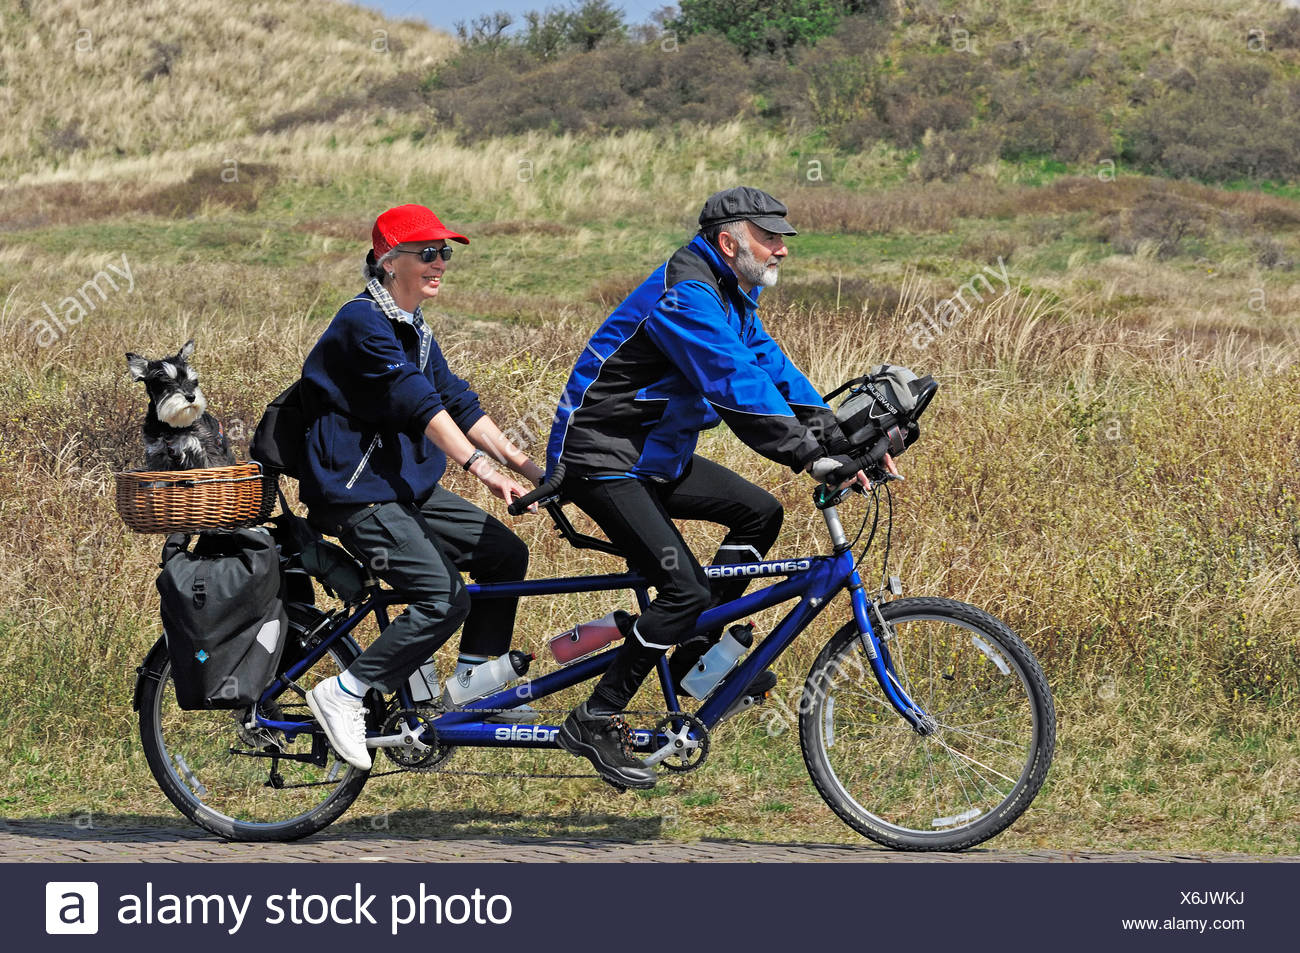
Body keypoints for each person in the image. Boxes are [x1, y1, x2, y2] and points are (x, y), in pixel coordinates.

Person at [543, 186, 897, 789]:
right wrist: (808, 457)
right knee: (682, 586)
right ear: (729, 242)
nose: (782, 249)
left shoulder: (734, 291)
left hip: (658, 457)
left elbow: (771, 370)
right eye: (770, 237)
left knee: (757, 513)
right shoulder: (687, 296)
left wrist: (842, 441)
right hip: (603, 460)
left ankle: (697, 650)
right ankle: (596, 716)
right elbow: (733, 383)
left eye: (784, 237)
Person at [300, 203, 545, 771]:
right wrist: (480, 469)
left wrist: (530, 467)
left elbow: (456, 399)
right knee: (443, 597)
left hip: (403, 488)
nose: (440, 264)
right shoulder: (361, 324)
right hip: (356, 494)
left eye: (445, 253)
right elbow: (419, 404)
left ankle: (470, 686)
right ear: (389, 262)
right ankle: (344, 692)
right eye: (427, 254)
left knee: (504, 552)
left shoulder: (412, 326)